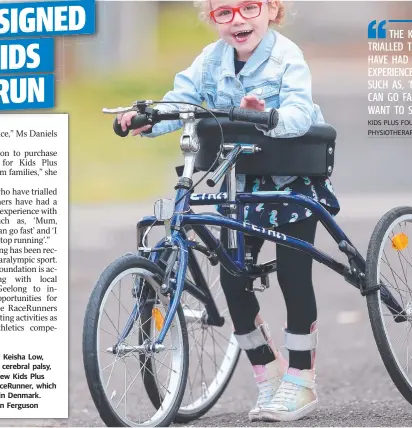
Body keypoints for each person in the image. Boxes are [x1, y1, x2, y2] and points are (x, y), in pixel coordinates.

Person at [116, 0, 340, 422]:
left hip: (291, 182)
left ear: (272, 10)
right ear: (213, 19)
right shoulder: (210, 62)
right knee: (233, 279)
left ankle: (301, 381)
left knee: (294, 276)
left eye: (248, 7)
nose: (237, 19)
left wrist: (267, 117)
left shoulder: (286, 56)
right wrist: (146, 119)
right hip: (240, 185)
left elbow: (300, 111)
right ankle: (269, 377)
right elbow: (180, 102)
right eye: (224, 12)